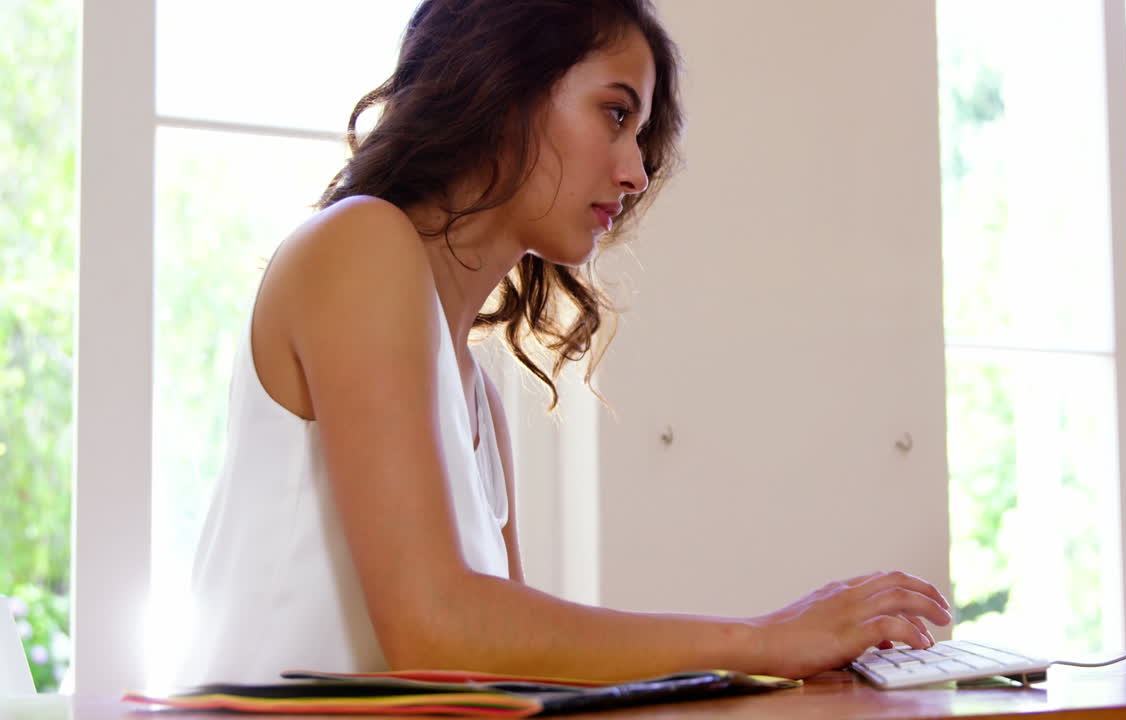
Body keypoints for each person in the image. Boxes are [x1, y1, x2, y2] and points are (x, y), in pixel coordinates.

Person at [177, 0, 952, 687]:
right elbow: (435, 630)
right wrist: (761, 641)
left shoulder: (476, 392)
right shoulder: (359, 242)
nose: (637, 172)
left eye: (641, 134)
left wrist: (777, 657)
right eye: (616, 114)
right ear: (503, 82)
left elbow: (501, 668)